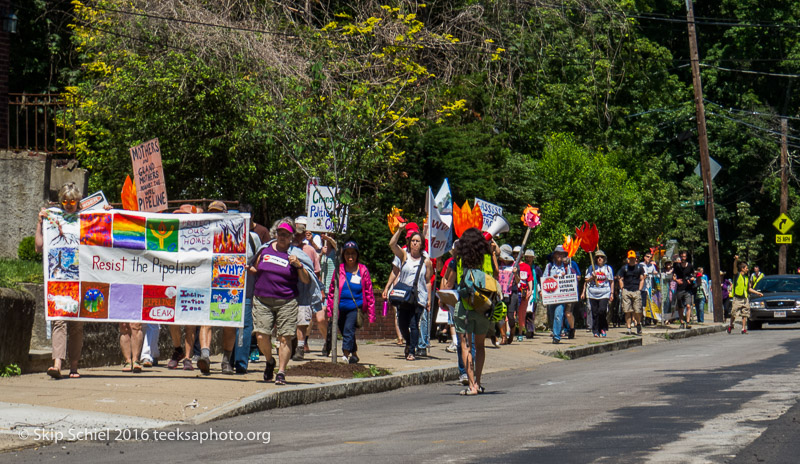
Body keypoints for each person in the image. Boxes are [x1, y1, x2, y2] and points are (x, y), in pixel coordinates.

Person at [249, 218, 311, 385]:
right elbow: (256, 268)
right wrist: (247, 268)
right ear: (275, 234)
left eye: (286, 234)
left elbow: (306, 280)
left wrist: (298, 266)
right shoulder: (265, 249)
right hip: (262, 299)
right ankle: (270, 361)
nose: (282, 237)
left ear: (291, 237)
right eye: (280, 233)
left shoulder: (296, 254)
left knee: (285, 337)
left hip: (287, 301)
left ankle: (281, 372)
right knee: (261, 335)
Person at [36, 182, 85, 379]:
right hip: (58, 278)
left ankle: (74, 366)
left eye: (72, 201)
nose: (69, 204)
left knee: (76, 324)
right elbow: (39, 247)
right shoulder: (52, 217)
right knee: (59, 320)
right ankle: (57, 364)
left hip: (81, 278)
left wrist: (107, 212)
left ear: (78, 200)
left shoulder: (86, 218)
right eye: (65, 201)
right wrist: (40, 223)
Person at [447, 227, 495, 395]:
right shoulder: (487, 258)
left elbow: (449, 283)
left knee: (466, 345)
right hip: (483, 306)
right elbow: (495, 275)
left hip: (465, 307)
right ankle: (479, 382)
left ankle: (472, 385)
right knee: (480, 346)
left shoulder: (459, 260)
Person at [196, 200, 238, 375]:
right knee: (205, 321)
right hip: (205, 281)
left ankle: (226, 360)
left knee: (229, 322)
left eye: (218, 212)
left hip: (228, 282)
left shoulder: (235, 233)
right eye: (212, 211)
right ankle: (205, 356)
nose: (215, 214)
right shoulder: (200, 232)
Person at [389, 223, 433, 361]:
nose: (414, 243)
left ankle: (412, 351)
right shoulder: (404, 256)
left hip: (419, 297)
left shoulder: (427, 262)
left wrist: (429, 300)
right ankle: (408, 342)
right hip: (404, 296)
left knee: (414, 324)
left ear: (422, 244)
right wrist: (400, 230)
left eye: (417, 241)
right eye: (413, 241)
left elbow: (428, 281)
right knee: (402, 323)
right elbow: (392, 244)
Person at [326, 241, 375, 363]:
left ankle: (345, 355)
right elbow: (332, 289)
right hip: (340, 307)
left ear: (357, 254)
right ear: (343, 255)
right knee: (346, 332)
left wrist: (371, 313)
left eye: (353, 253)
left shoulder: (362, 270)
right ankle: (354, 354)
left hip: (355, 307)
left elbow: (369, 292)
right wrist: (330, 309)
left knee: (348, 329)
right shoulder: (340, 269)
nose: (350, 256)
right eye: (347, 253)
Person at [166, 203, 202, 371]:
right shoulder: (171, 234)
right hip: (174, 280)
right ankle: (178, 349)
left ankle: (188, 356)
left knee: (190, 322)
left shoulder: (200, 235)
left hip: (192, 281)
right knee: (172, 319)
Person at [291, 216, 320, 362]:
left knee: (302, 321)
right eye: (295, 233)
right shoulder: (286, 248)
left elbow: (316, 271)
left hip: (304, 290)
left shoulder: (309, 250)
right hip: (288, 290)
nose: (297, 236)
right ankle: (287, 345)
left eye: (300, 233)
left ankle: (300, 348)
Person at [544, 245, 577, 344]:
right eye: (558, 253)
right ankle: (555, 332)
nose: (559, 255)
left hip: (561, 297)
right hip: (551, 296)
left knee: (559, 314)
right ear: (554, 255)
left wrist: (565, 276)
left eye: (561, 254)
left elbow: (572, 280)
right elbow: (544, 278)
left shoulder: (567, 268)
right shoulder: (549, 266)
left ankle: (556, 336)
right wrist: (551, 277)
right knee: (551, 316)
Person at [728, 256, 763, 334]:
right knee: (734, 313)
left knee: (745, 313)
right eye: (746, 268)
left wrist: (758, 293)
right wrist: (736, 260)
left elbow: (748, 289)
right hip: (737, 298)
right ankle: (731, 325)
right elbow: (734, 268)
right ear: (742, 269)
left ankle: (743, 328)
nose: (747, 269)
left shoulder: (747, 278)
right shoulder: (737, 275)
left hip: (745, 298)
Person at [584, 250, 613, 337]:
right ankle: (595, 330)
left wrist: (611, 293)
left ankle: (603, 328)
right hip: (593, 293)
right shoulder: (591, 268)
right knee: (594, 312)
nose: (600, 259)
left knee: (602, 310)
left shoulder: (608, 268)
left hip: (604, 292)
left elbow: (611, 281)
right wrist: (592, 277)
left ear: (604, 259)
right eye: (598, 257)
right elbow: (586, 280)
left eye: (601, 257)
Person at [616, 250, 645, 335]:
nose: (632, 260)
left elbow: (642, 279)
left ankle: (638, 323)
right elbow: (620, 278)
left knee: (637, 310)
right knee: (627, 310)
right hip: (627, 290)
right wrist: (622, 289)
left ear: (635, 258)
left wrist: (639, 289)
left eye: (633, 258)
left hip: (636, 290)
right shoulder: (624, 268)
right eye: (630, 258)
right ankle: (628, 327)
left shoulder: (639, 268)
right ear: (628, 259)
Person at [672, 250, 696, 329]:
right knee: (680, 306)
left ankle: (688, 322)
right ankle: (682, 322)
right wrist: (676, 280)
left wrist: (691, 279)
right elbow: (673, 276)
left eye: (684, 256)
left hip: (687, 289)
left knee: (688, 306)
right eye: (682, 256)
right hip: (680, 288)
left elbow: (693, 276)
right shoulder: (677, 266)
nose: (683, 258)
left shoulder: (690, 266)